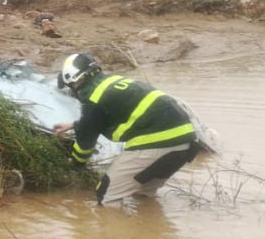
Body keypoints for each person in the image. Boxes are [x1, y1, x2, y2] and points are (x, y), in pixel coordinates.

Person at [52, 53, 202, 208]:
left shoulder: (92, 98)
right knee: (143, 193)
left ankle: (117, 230)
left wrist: (75, 163)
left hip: (157, 144)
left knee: (106, 195)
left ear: (75, 80)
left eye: (70, 86)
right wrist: (76, 124)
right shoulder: (112, 82)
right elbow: (106, 117)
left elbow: (86, 142)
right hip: (186, 144)